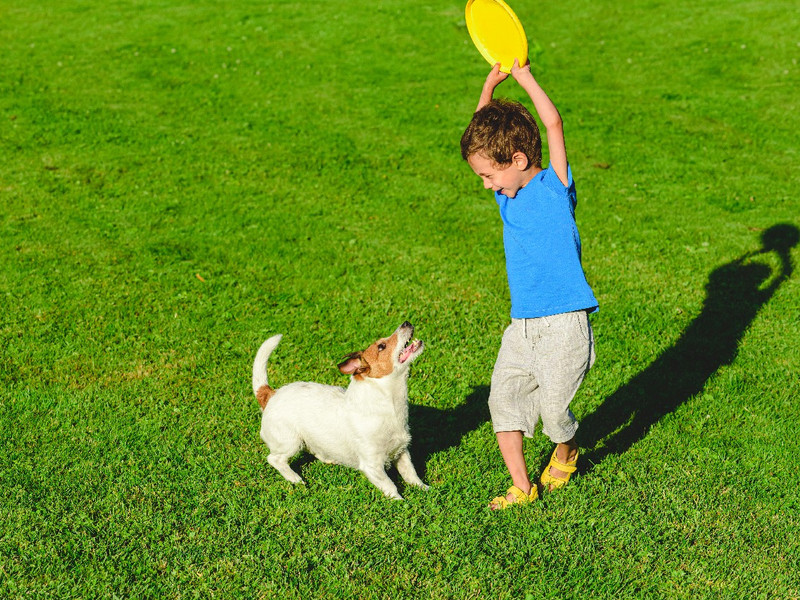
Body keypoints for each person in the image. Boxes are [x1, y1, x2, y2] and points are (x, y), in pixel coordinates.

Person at [460, 60, 598, 509]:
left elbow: (552, 122)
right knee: (503, 401)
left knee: (555, 410)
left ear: (518, 160)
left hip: (564, 324)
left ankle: (566, 450)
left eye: (489, 175)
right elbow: (484, 140)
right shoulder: (507, 196)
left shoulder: (556, 188)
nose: (487, 186)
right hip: (520, 327)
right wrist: (487, 87)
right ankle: (521, 485)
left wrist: (523, 78)